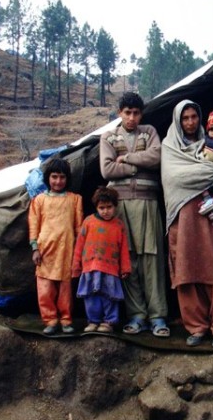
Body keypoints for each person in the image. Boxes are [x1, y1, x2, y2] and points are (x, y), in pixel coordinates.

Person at [161, 99, 213, 349]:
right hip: (183, 219)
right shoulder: (169, 148)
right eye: (185, 118)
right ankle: (196, 327)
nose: (190, 122)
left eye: (194, 116)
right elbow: (174, 178)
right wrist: (212, 174)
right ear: (177, 121)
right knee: (188, 272)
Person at [99, 92, 169, 338]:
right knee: (128, 261)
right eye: (127, 112)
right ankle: (137, 315)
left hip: (148, 203)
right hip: (121, 206)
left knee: (152, 259)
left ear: (141, 114)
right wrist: (138, 165)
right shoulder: (108, 136)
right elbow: (107, 169)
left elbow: (157, 156)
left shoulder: (149, 132)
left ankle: (158, 316)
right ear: (119, 112)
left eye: (136, 113)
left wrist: (126, 158)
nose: (131, 117)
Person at [28, 157, 84, 335]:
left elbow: (79, 227)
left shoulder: (75, 200)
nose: (58, 181)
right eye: (54, 177)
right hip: (45, 250)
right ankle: (50, 320)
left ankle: (66, 319)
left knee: (65, 289)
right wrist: (35, 248)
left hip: (67, 249)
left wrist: (80, 250)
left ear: (67, 179)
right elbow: (34, 225)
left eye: (62, 177)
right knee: (45, 288)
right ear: (48, 178)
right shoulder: (39, 200)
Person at [71, 187, 132, 333]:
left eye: (109, 207)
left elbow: (124, 248)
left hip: (110, 268)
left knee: (109, 296)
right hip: (90, 267)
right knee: (91, 297)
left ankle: (108, 322)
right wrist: (76, 267)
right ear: (96, 207)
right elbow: (79, 245)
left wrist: (125, 268)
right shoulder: (88, 222)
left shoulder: (118, 225)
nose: (105, 211)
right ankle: (93, 321)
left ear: (115, 206)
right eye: (101, 207)